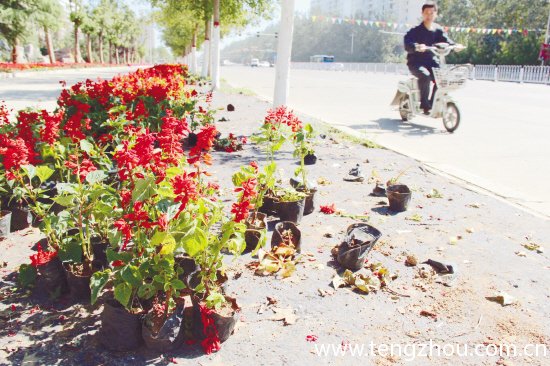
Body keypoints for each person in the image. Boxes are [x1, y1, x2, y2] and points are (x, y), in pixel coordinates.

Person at [404, 3, 463, 115]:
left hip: (431, 61)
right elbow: (407, 42)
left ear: (436, 14)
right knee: (425, 76)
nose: (429, 15)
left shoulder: (438, 30)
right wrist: (416, 46)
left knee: (442, 78)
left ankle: (433, 102)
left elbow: (447, 41)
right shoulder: (415, 30)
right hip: (416, 62)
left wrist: (455, 46)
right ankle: (425, 105)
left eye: (432, 13)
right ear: (422, 14)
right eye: (426, 13)